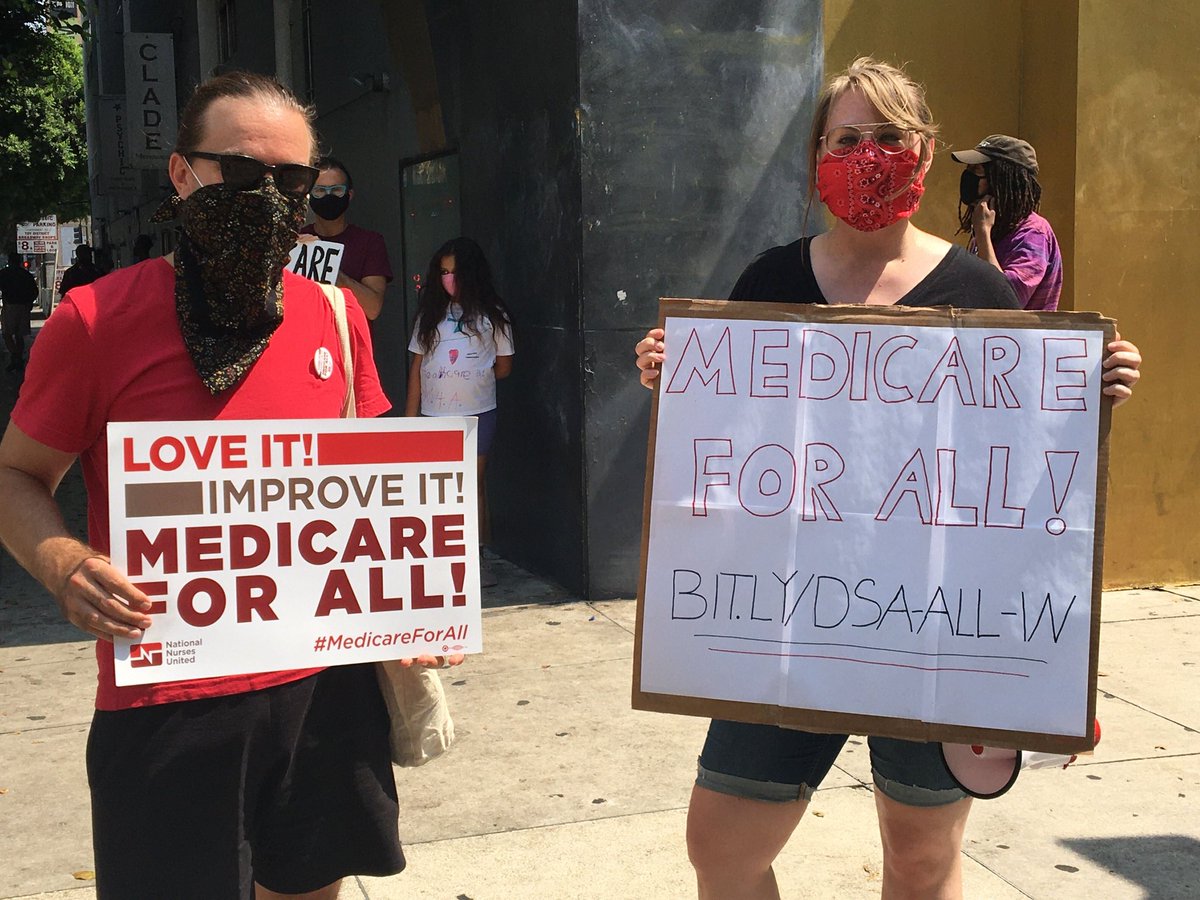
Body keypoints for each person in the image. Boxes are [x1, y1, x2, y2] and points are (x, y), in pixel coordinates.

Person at [635, 57, 1142, 900]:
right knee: (720, 848)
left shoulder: (978, 290)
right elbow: (727, 438)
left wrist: (1087, 395)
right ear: (817, 156)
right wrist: (675, 377)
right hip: (786, 623)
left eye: (887, 137)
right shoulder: (770, 282)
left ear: (924, 148)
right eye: (847, 139)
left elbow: (1017, 467)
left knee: (920, 860)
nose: (867, 154)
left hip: (931, 635)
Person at [0, 70, 459, 899]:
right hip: (171, 698)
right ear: (182, 174)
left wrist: (406, 606)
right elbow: (16, 475)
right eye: (240, 174)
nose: (268, 198)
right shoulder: (94, 321)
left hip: (325, 686)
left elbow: (368, 487)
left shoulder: (332, 315)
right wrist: (61, 561)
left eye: (292, 182)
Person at [405, 237, 513, 588]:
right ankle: (440, 557)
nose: (448, 279)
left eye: (455, 272)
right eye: (443, 272)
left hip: (479, 414)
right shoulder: (429, 316)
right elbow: (416, 368)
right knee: (436, 488)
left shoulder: (494, 316)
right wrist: (409, 419)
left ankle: (477, 556)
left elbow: (504, 367)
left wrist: (472, 375)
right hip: (433, 416)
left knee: (473, 485)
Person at [953, 134, 1063, 311]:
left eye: (977, 171)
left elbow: (1005, 301)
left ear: (1004, 179)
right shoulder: (994, 231)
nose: (968, 177)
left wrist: (982, 233)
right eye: (968, 169)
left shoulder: (1033, 233)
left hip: (1021, 338)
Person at [299, 156, 392, 319]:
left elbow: (372, 309)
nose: (328, 196)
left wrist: (330, 270)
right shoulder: (296, 242)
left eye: (336, 190)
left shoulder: (370, 242)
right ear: (310, 196)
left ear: (349, 195)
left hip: (348, 342)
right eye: (320, 191)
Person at [0, 249, 39, 371]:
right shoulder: (26, 275)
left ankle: (15, 356)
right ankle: (18, 357)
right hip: (24, 307)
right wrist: (29, 303)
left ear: (10, 261)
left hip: (10, 306)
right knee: (19, 334)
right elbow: (34, 291)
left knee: (7, 334)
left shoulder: (4, 273)